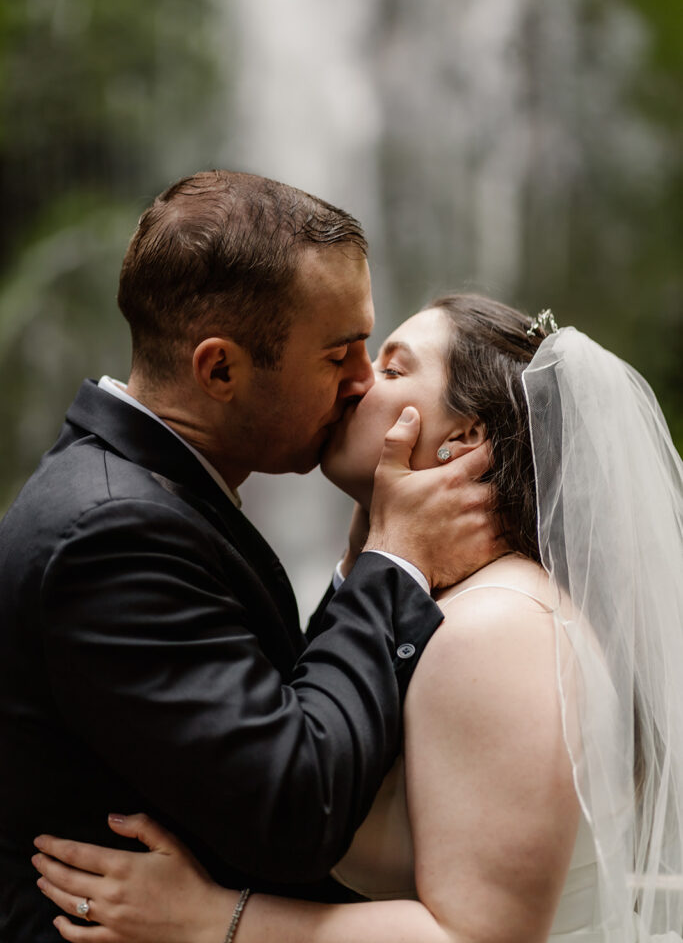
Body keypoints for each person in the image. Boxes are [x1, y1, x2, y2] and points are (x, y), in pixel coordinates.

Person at [32, 294, 683, 942]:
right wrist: (370, 555)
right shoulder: (442, 600)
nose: (358, 380)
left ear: (461, 439)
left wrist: (210, 919)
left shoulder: (497, 630)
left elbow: (481, 937)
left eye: (393, 369)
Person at [0, 173, 498, 942]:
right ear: (219, 369)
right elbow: (295, 809)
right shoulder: (112, 533)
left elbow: (275, 703)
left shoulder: (150, 492)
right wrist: (393, 560)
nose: (363, 383)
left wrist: (366, 559)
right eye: (340, 355)